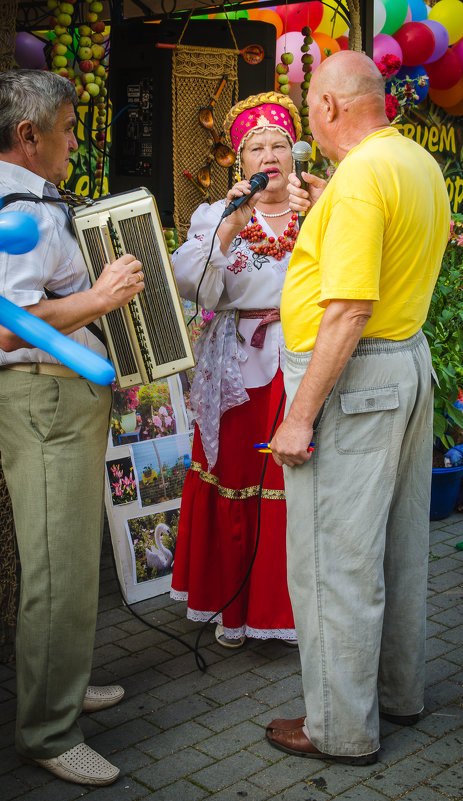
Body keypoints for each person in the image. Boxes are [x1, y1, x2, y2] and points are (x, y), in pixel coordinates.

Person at [265, 51, 451, 764]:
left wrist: (299, 415)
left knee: (334, 561)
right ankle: (396, 696)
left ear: (330, 107)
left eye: (309, 101)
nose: (307, 114)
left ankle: (339, 728)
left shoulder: (360, 179)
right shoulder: (409, 159)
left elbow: (345, 308)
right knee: (398, 550)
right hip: (403, 361)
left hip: (351, 375)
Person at [0, 69, 145, 786]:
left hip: (61, 399)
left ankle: (64, 680)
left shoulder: (29, 196)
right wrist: (100, 295)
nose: (74, 140)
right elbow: (6, 325)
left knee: (69, 558)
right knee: (57, 570)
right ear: (29, 136)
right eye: (67, 127)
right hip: (43, 399)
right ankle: (50, 730)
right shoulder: (10, 202)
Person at [169, 92, 300, 648]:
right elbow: (187, 282)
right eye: (256, 148)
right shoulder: (216, 214)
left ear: (296, 155)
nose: (268, 156)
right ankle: (233, 609)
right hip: (238, 363)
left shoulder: (317, 207)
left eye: (279, 146)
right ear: (240, 162)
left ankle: (288, 612)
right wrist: (226, 228)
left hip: (299, 362)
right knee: (238, 482)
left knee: (293, 486)